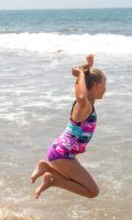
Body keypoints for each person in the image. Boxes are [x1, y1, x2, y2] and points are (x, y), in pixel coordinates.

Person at [30, 54, 106, 199]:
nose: (105, 89)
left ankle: (46, 169)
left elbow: (83, 89)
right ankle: (53, 180)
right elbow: (82, 95)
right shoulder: (84, 105)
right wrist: (82, 73)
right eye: (104, 85)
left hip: (63, 151)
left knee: (90, 190)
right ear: (96, 86)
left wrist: (86, 69)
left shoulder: (85, 105)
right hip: (62, 153)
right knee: (92, 192)